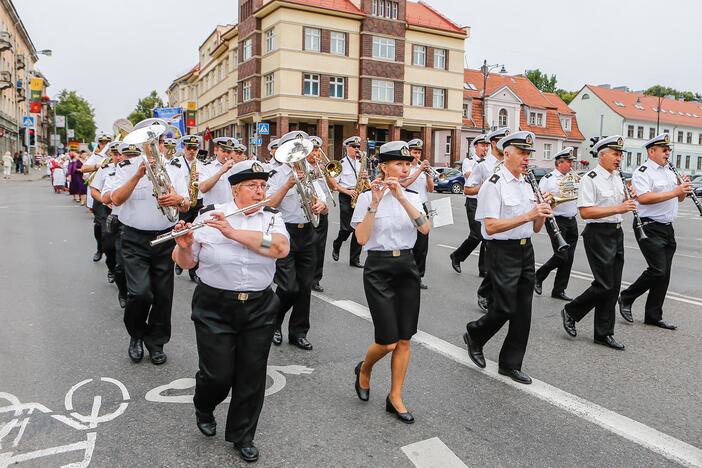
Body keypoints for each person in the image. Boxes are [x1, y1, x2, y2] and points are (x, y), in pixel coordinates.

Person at [172, 160, 290, 463]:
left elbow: (278, 248)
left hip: (259, 305)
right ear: (235, 190)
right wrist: (184, 246)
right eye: (253, 186)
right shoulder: (208, 216)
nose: (260, 191)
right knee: (217, 375)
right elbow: (186, 263)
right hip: (215, 305)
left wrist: (233, 233)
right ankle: (204, 404)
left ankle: (242, 435)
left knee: (252, 374)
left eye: (263, 186)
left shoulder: (272, 219)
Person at [352, 141, 431, 423]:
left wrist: (402, 198)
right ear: (384, 167)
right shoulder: (365, 197)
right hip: (378, 268)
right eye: (399, 163)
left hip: (407, 267)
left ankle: (395, 395)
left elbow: (424, 227)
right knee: (387, 341)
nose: (405, 168)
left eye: (407, 164)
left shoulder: (412, 196)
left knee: (405, 339)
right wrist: (374, 203)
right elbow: (361, 239)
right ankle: (364, 369)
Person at [463, 131, 550, 385]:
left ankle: (510, 364)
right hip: (502, 251)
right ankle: (475, 334)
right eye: (522, 153)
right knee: (503, 307)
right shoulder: (494, 183)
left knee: (523, 310)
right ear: (507, 153)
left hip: (526, 250)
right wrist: (528, 214)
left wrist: (543, 211)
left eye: (528, 154)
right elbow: (489, 227)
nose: (526, 159)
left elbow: (535, 228)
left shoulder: (527, 183)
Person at [110, 138, 190, 365]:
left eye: (159, 143)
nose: (155, 147)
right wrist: (138, 175)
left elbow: (185, 205)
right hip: (134, 238)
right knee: (140, 293)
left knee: (163, 296)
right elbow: (116, 199)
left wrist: (178, 200)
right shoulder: (127, 167)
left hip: (165, 237)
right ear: (141, 146)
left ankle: (156, 342)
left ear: (164, 146)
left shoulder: (174, 168)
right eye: (149, 143)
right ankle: (136, 335)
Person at [560, 136, 636, 351]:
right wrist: (619, 209)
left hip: (616, 232)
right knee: (604, 283)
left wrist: (630, 199)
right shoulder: (590, 179)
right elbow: (585, 211)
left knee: (613, 287)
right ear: (602, 155)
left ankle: (603, 333)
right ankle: (572, 311)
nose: (619, 158)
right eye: (615, 153)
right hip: (598, 233)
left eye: (620, 154)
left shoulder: (616, 177)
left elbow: (617, 203)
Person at [618, 134, 691, 330]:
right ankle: (626, 296)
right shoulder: (643, 172)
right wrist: (675, 191)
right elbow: (644, 198)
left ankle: (653, 315)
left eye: (669, 150)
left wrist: (682, 188)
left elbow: (679, 199)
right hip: (649, 225)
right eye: (664, 150)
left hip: (667, 227)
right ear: (652, 152)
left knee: (664, 274)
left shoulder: (669, 171)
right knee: (657, 269)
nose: (668, 153)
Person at [267, 131, 328, 351]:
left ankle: (298, 332)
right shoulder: (275, 173)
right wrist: (287, 185)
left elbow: (325, 202)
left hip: (308, 233)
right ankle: (273, 322)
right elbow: (269, 206)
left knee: (304, 288)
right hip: (285, 233)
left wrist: (321, 205)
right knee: (288, 287)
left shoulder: (310, 171)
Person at [464, 127, 511, 311]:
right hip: (490, 213)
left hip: (507, 213)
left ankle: (498, 294)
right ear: (493, 143)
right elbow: (468, 189)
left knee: (503, 259)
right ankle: (485, 292)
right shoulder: (483, 165)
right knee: (495, 256)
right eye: (501, 141)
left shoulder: (510, 163)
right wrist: (483, 187)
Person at [534, 147, 579, 301]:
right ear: (560, 163)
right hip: (556, 219)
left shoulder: (573, 177)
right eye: (568, 162)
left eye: (571, 162)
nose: (571, 165)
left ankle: (559, 289)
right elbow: (539, 198)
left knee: (570, 257)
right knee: (562, 254)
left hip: (571, 219)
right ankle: (539, 276)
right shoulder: (548, 179)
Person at [91, 141, 129, 306]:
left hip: (124, 215)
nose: (119, 157)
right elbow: (94, 189)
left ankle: (123, 291)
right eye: (116, 154)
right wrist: (104, 201)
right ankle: (111, 267)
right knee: (108, 247)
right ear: (111, 155)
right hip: (107, 211)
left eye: (122, 154)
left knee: (122, 257)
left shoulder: (131, 170)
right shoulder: (105, 170)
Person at [450, 134, 489, 273]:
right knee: (476, 235)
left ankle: (484, 269)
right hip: (473, 201)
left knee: (487, 236)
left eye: (487, 146)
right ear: (475, 146)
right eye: (483, 145)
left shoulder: (489, 162)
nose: (485, 148)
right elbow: (468, 175)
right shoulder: (469, 161)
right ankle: (457, 256)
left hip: (486, 202)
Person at [402, 138, 433, 289]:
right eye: (415, 152)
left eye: (419, 152)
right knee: (407, 243)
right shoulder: (405, 168)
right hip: (407, 207)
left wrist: (427, 174)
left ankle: (418, 277)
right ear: (409, 152)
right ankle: (404, 274)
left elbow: (431, 189)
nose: (417, 155)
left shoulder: (423, 168)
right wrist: (419, 170)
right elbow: (405, 184)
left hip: (422, 207)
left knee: (422, 245)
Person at [173, 135, 205, 282]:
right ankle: (179, 259)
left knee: (195, 235)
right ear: (184, 148)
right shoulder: (176, 163)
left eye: (195, 148)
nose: (192, 151)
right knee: (180, 231)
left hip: (197, 202)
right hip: (183, 203)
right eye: (189, 148)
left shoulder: (202, 164)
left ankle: (193, 271)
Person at [332, 135, 364, 268]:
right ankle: (337, 243)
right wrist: (347, 191)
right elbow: (335, 184)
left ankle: (354, 259)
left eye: (358, 147)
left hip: (359, 195)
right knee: (346, 229)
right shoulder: (340, 164)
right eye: (354, 147)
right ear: (347, 148)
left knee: (358, 227)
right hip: (346, 196)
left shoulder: (361, 162)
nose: (356, 149)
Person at [82, 133, 114, 262]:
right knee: (99, 226)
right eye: (102, 142)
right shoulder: (97, 157)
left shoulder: (118, 156)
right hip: (97, 193)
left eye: (107, 142)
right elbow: (83, 169)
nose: (104, 145)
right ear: (98, 144)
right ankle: (100, 248)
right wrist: (97, 166)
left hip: (113, 197)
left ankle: (112, 255)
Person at [307, 136, 332, 293]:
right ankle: (305, 276)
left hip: (322, 209)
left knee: (320, 246)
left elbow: (332, 187)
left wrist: (326, 173)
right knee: (307, 247)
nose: (315, 153)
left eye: (317, 150)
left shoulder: (323, 166)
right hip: (307, 211)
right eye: (312, 150)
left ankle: (316, 279)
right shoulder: (301, 167)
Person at [199, 137, 247, 207]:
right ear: (216, 150)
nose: (226, 155)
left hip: (231, 210)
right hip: (213, 210)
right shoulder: (206, 167)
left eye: (229, 152)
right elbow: (202, 188)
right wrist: (221, 171)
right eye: (223, 151)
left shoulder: (236, 168)